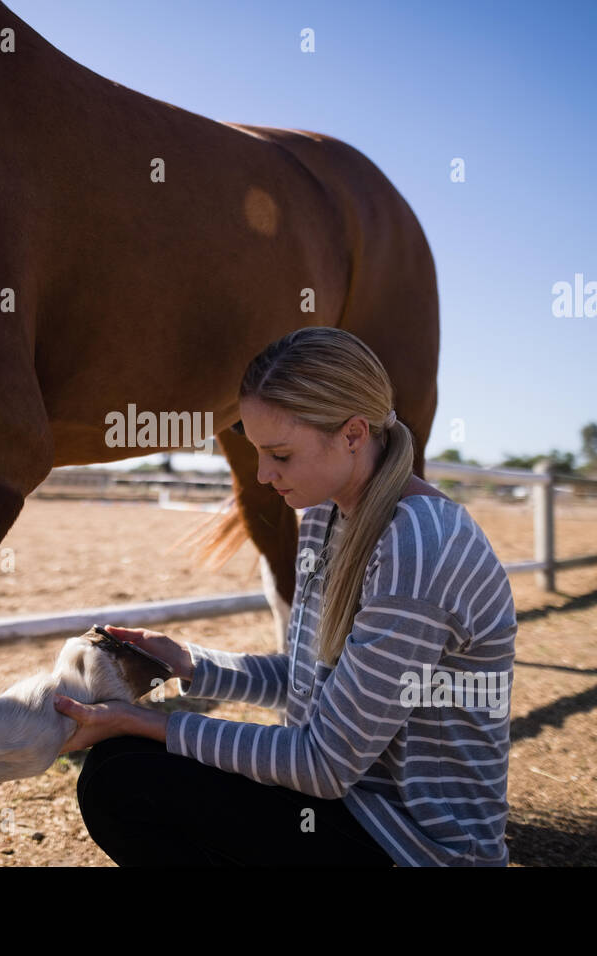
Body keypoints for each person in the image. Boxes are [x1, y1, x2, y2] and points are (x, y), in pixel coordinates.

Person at [53, 326, 517, 866]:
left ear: (352, 434)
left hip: (416, 846)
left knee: (124, 778)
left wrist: (146, 721)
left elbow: (323, 764)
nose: (263, 474)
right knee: (121, 766)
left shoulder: (419, 549)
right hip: (352, 808)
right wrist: (189, 663)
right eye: (256, 451)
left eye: (280, 454)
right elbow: (309, 680)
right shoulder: (325, 512)